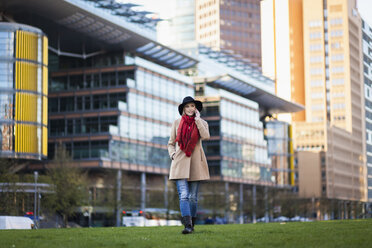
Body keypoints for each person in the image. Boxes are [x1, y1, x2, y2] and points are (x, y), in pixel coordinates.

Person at [168, 96, 210, 234]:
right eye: (187, 106)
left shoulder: (202, 122)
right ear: (183, 109)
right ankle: (187, 225)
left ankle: (192, 224)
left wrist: (197, 120)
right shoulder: (177, 122)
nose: (190, 109)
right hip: (180, 162)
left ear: (195, 108)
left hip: (196, 163)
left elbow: (206, 136)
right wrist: (173, 154)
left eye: (192, 106)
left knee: (192, 197)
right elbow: (171, 143)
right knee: (184, 195)